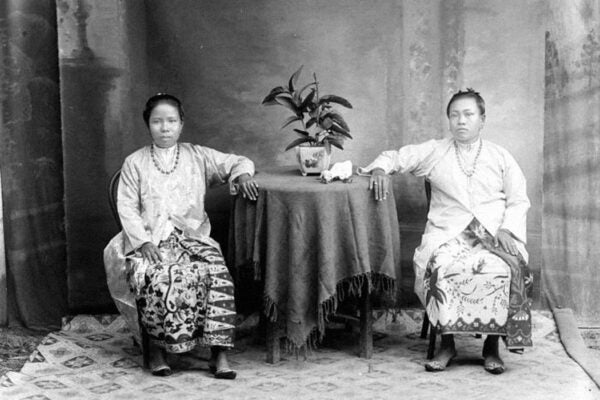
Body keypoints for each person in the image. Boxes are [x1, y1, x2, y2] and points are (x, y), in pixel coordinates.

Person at [360, 88, 532, 374]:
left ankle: (491, 347)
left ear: (482, 119)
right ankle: (447, 344)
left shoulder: (500, 156)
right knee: (441, 266)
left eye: (468, 115)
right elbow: (397, 156)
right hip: (448, 232)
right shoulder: (436, 151)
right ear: (449, 121)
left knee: (503, 268)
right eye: (454, 115)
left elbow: (518, 199)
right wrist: (379, 170)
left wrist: (506, 228)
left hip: (493, 232)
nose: (461, 121)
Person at [104, 93, 259, 378]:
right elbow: (126, 206)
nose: (165, 128)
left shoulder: (197, 156)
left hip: (193, 238)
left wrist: (243, 176)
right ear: (148, 125)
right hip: (151, 239)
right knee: (159, 275)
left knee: (217, 272)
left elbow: (239, 161)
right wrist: (143, 242)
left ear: (181, 124)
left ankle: (219, 354)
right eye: (157, 122)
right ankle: (157, 351)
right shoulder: (135, 162)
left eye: (171, 121)